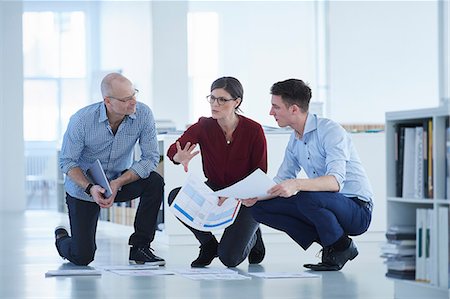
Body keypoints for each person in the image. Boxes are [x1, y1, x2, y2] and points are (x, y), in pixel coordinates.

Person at [244, 78, 373, 271]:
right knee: (259, 209)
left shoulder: (330, 131)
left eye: (276, 107)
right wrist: (257, 195)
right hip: (326, 204)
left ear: (294, 109)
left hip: (356, 208)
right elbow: (283, 178)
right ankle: (335, 244)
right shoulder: (295, 139)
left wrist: (296, 184)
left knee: (307, 197)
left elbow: (335, 182)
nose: (271, 112)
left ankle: (340, 246)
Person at [55, 72, 165, 266]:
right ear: (108, 101)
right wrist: (90, 188)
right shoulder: (81, 121)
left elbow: (150, 158)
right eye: (126, 99)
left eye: (134, 95)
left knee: (154, 181)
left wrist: (118, 182)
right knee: (83, 257)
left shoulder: (143, 114)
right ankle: (62, 239)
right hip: (85, 189)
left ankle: (140, 248)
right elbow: (67, 162)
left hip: (119, 181)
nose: (133, 103)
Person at [166, 76, 267, 268]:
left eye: (222, 99)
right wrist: (178, 157)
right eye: (212, 98)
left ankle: (254, 237)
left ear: (236, 102)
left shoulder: (253, 130)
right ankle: (208, 245)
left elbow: (259, 173)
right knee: (176, 196)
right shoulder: (204, 125)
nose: (215, 104)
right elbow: (174, 149)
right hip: (214, 189)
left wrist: (232, 195)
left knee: (229, 259)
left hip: (246, 195)